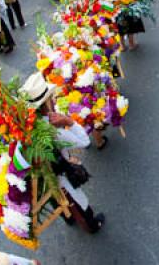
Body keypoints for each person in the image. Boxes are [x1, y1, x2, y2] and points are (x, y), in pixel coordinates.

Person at [19, 74, 106, 231]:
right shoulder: (52, 129)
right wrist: (69, 122)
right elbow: (85, 141)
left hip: (44, 175)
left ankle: (69, 218)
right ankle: (92, 225)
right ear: (47, 101)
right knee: (78, 199)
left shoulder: (27, 124)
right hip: (60, 173)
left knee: (56, 197)